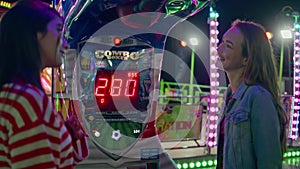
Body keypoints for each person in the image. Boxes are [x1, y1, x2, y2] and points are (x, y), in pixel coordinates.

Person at [0, 0, 88, 168]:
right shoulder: (27, 101)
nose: (65, 44)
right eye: (58, 30)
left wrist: (61, 134)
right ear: (35, 33)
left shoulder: (13, 95)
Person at [216, 19, 287, 169]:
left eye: (228, 46)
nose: (219, 49)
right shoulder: (229, 96)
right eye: (222, 42)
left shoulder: (258, 97)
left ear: (246, 59)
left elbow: (269, 163)